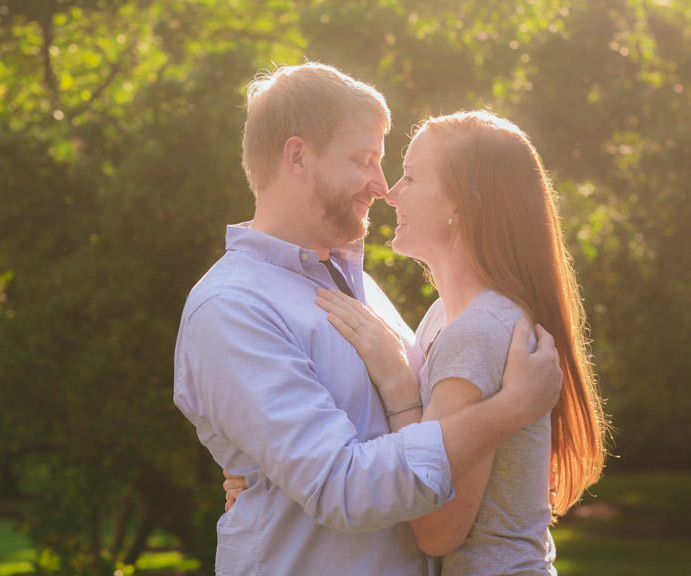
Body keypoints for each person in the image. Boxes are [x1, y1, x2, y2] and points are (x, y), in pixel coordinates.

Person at [174, 63, 562, 576]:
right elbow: (344, 487)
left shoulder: (361, 288)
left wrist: (266, 481)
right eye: (363, 160)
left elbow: (404, 437)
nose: (381, 186)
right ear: (297, 157)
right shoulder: (233, 307)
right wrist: (508, 412)